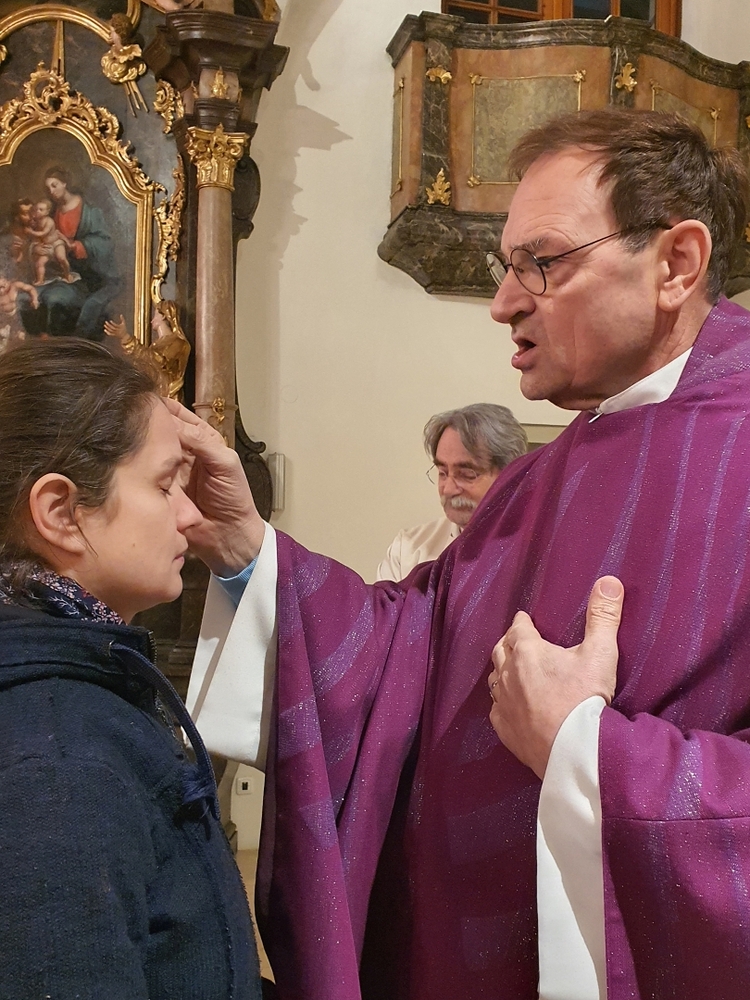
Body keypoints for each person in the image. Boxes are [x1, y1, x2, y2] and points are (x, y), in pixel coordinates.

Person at [178, 108, 750, 1000]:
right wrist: (248, 548)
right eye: (504, 266)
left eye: (543, 262)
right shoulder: (541, 476)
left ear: (676, 262)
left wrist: (587, 749)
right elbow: (413, 643)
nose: (504, 303)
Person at [0, 340, 262, 999]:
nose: (191, 514)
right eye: (165, 484)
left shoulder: (69, 696)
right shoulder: (60, 757)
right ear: (60, 513)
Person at [376, 403, 527, 580]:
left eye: (466, 474)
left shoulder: (540, 548)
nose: (448, 489)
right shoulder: (409, 549)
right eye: (443, 473)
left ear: (511, 475)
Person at [20, 168, 120, 340]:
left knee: (55, 299)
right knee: (25, 298)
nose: (51, 191)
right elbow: (36, 239)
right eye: (48, 188)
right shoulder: (51, 211)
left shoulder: (90, 212)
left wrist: (78, 246)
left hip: (87, 276)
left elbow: (105, 242)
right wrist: (35, 249)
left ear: (65, 183)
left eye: (55, 185)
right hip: (55, 273)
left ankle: (59, 345)